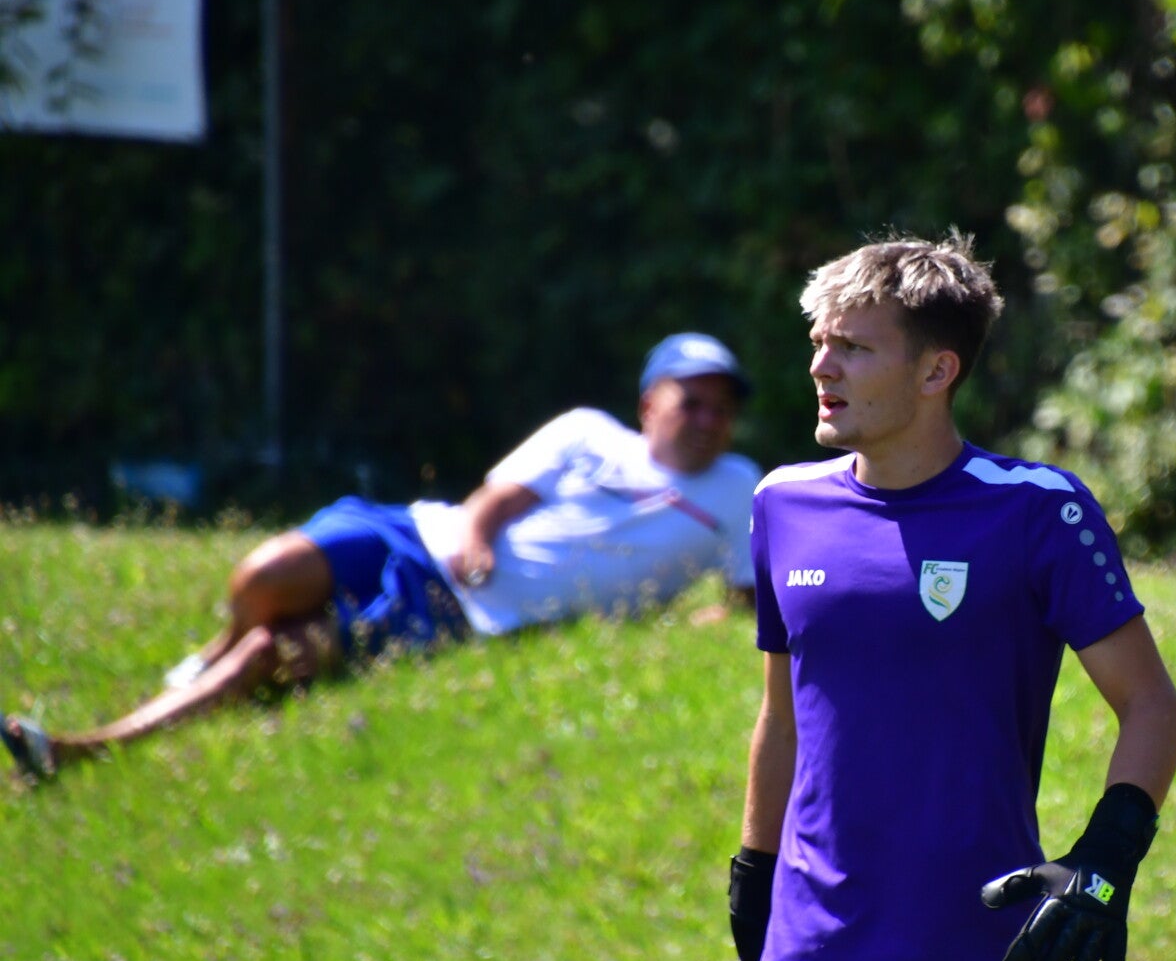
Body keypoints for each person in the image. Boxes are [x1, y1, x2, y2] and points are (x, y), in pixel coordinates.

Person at [726, 234, 1176, 961]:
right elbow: (782, 718)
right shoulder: (783, 505)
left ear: (937, 371)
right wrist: (754, 877)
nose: (822, 367)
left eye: (854, 347)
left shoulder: (1038, 510)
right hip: (817, 960)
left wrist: (1105, 863)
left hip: (994, 960)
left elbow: (1152, 708)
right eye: (819, 342)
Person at [3, 332, 759, 782]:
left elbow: (742, 599)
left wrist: (686, 624)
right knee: (263, 577)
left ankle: (85, 750)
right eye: (690, 400)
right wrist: (474, 540)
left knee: (271, 655)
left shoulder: (738, 488)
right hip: (419, 536)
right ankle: (207, 654)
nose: (707, 419)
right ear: (648, 404)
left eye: (721, 408)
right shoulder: (588, 432)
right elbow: (497, 496)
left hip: (458, 614)